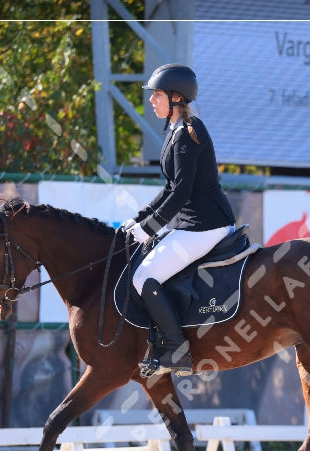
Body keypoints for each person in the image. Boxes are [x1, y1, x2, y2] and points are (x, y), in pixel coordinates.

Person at [122, 63, 236, 376]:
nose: (151, 100)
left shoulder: (189, 133)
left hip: (206, 225)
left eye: (156, 94)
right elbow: (170, 187)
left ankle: (176, 349)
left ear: (176, 97)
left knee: (142, 277)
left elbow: (182, 192)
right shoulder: (175, 131)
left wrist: (152, 228)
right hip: (192, 224)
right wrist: (140, 220)